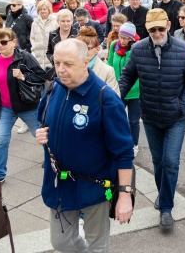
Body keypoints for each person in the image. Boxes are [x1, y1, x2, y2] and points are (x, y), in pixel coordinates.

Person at [35, 39, 134, 251]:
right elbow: (42, 119)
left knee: (97, 245)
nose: (60, 70)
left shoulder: (105, 98)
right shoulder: (53, 89)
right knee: (61, 242)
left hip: (96, 188)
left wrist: (124, 196)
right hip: (59, 184)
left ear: (85, 62)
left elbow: (124, 153)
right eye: (57, 62)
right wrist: (41, 134)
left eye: (68, 64)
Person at [118, 8, 185, 230]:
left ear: (168, 26)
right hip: (151, 116)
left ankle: (166, 208)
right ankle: (164, 195)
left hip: (175, 116)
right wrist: (117, 100)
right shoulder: (137, 50)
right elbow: (127, 76)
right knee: (158, 162)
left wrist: (182, 105)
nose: (157, 33)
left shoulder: (183, 50)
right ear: (146, 28)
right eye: (152, 29)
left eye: (160, 28)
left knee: (171, 162)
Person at [0, 28, 46, 183]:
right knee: (1, 140)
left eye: (4, 42)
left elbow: (41, 77)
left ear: (13, 42)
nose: (0, 45)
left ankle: (54, 160)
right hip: (5, 108)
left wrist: (23, 76)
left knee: (41, 136)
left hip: (27, 106)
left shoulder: (24, 57)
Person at [108, 22, 141, 156]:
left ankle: (134, 144)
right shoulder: (113, 45)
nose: (122, 40)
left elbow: (135, 68)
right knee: (116, 118)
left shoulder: (137, 48)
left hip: (134, 90)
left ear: (132, 38)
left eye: (126, 38)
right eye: (121, 36)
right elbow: (110, 64)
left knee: (133, 120)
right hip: (118, 89)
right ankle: (118, 141)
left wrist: (131, 49)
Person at [76, 26, 119, 95]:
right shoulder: (70, 67)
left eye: (88, 48)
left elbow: (114, 99)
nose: (84, 52)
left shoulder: (107, 71)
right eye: (80, 48)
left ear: (97, 49)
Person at [30, 0, 58, 72]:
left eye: (44, 9)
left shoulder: (55, 21)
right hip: (38, 54)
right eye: (40, 9)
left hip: (51, 54)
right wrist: (34, 48)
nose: (42, 11)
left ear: (49, 10)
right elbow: (32, 37)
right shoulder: (35, 23)